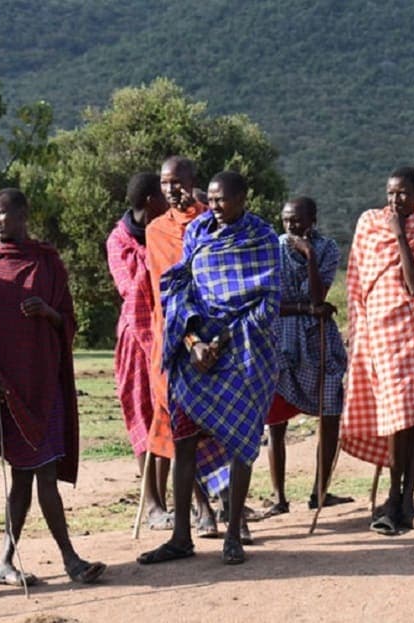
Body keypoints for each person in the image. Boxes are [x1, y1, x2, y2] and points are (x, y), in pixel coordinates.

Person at [138, 170, 280, 565]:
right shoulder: (199, 230)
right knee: (184, 442)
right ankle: (182, 536)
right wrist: (194, 341)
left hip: (242, 353)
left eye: (223, 200)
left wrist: (221, 342)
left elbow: (268, 301)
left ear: (243, 199)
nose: (215, 207)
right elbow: (179, 285)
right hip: (195, 355)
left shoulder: (263, 238)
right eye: (212, 199)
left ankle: (233, 532)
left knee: (239, 444)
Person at [0, 189, 105, 586]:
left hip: (46, 384)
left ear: (23, 214)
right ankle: (68, 560)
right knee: (32, 475)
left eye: (1, 214)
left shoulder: (48, 263)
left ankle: (8, 561)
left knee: (34, 476)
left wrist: (47, 312)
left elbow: (68, 321)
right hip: (7, 390)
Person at [341, 166, 414, 535]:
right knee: (395, 419)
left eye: (404, 194)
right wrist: (356, 330)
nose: (395, 200)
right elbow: (356, 280)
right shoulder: (368, 223)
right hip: (380, 335)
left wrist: (401, 237)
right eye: (391, 193)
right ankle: (393, 498)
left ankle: (405, 501)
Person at [143, 156, 220, 535]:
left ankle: (231, 511)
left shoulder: (214, 222)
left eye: (178, 182)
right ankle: (203, 508)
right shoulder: (156, 231)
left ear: (193, 181)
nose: (172, 189)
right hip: (174, 339)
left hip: (217, 339)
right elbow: (164, 290)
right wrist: (187, 336)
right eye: (164, 183)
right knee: (181, 425)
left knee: (220, 426)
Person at [262, 197, 352, 516]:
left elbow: (319, 296)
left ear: (313, 220)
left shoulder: (326, 249)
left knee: (330, 413)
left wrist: (309, 255)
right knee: (275, 421)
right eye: (287, 220)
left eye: (298, 220)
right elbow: (269, 302)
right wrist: (304, 309)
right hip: (281, 339)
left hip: (318, 339)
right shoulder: (271, 249)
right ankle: (278, 496)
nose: (292, 226)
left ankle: (320, 490)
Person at [107, 172, 171, 529]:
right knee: (142, 416)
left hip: (169, 333)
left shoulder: (169, 230)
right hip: (136, 338)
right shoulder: (118, 241)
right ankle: (152, 503)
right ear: (151, 201)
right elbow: (129, 290)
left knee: (168, 416)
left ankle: (165, 499)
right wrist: (154, 255)